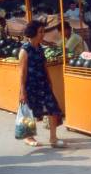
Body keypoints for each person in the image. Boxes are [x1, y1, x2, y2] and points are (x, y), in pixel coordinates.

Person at [18, 20, 65, 148]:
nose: (43, 34)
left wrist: (49, 80)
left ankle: (53, 138)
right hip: (30, 85)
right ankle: (28, 137)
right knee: (29, 112)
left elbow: (44, 66)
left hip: (43, 84)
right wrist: (23, 91)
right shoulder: (24, 50)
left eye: (43, 31)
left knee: (52, 109)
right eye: (40, 32)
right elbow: (22, 73)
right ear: (33, 33)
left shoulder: (39, 48)